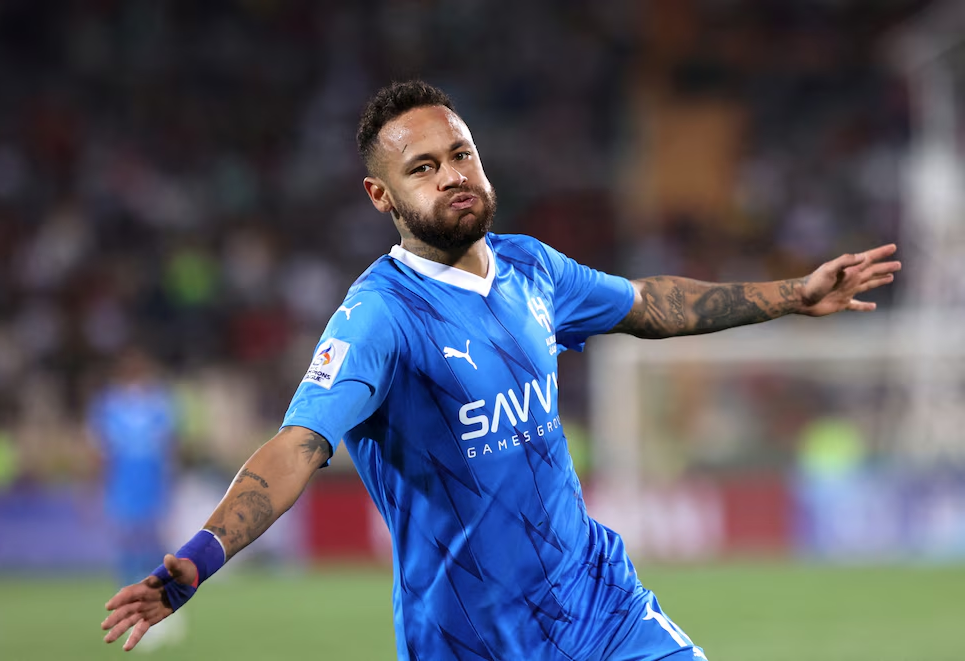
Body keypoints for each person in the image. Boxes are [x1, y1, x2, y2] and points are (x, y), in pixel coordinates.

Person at [100, 81, 900, 659]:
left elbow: (648, 303)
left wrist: (793, 294)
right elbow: (299, 445)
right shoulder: (380, 316)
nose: (452, 173)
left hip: (602, 609)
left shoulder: (532, 268)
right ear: (381, 196)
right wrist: (199, 557)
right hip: (470, 639)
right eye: (423, 167)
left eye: (461, 153)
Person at [89, 347, 186, 648]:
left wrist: (172, 481)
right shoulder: (109, 404)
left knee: (156, 548)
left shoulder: (160, 403)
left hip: (153, 485)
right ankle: (130, 609)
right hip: (122, 486)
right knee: (127, 548)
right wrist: (95, 483)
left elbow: (171, 444)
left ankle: (164, 607)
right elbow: (101, 450)